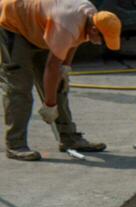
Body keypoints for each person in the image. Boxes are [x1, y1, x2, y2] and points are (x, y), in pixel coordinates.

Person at [0, 0, 117, 160]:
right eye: (102, 39)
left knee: (58, 84)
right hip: (14, 23)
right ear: (95, 29)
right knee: (19, 87)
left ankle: (69, 138)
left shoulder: (92, 15)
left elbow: (75, 41)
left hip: (39, 25)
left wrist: (66, 67)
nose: (101, 44)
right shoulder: (67, 25)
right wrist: (49, 105)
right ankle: (15, 144)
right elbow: (52, 67)